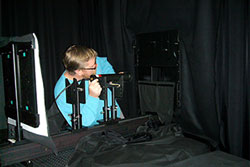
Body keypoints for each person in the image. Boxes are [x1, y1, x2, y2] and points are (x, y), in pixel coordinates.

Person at [54, 45, 124, 127]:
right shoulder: (62, 91)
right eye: (93, 67)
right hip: (94, 130)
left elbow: (103, 63)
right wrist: (93, 97)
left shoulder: (90, 63)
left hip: (115, 115)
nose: (96, 66)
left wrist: (112, 77)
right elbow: (84, 122)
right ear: (79, 71)